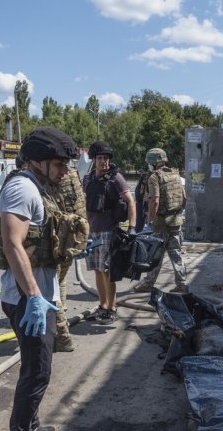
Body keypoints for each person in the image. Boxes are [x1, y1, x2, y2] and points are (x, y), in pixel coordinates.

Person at [0, 127, 78, 431]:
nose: (64, 171)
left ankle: (28, 425)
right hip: (27, 301)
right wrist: (33, 296)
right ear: (38, 162)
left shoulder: (39, 186)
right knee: (37, 370)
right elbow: (13, 244)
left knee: (38, 366)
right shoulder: (21, 189)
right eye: (59, 163)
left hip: (39, 297)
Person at [81, 141, 136, 324]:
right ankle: (102, 306)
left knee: (106, 271)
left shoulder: (115, 178)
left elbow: (130, 201)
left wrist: (132, 227)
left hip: (108, 231)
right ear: (94, 160)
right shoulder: (88, 179)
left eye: (105, 158)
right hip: (92, 231)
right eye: (99, 158)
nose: (103, 162)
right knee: (96, 270)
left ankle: (112, 308)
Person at [132, 148, 188, 294]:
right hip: (176, 221)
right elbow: (184, 198)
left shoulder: (154, 177)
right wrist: (178, 212)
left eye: (149, 163)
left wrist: (150, 220)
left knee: (155, 254)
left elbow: (154, 201)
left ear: (154, 163)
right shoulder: (175, 175)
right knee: (176, 253)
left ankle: (148, 283)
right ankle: (182, 284)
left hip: (161, 222)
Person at [48, 165, 89, 352]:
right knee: (60, 284)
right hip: (73, 239)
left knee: (51, 288)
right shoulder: (72, 172)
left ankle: (62, 336)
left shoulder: (51, 175)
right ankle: (60, 330)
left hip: (57, 242)